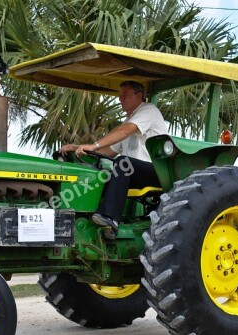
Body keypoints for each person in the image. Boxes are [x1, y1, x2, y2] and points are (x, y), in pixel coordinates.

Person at [60, 80, 168, 239]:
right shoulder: (129, 120)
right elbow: (109, 151)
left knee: (124, 163)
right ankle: (86, 218)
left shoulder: (148, 110)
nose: (120, 99)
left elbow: (126, 131)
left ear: (139, 96)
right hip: (132, 172)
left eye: (125, 95)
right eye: (119, 95)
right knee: (101, 175)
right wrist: (78, 148)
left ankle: (111, 219)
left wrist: (94, 145)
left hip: (157, 171)